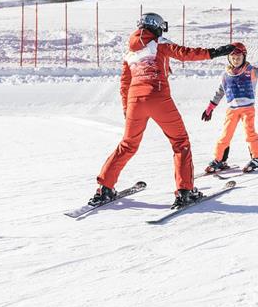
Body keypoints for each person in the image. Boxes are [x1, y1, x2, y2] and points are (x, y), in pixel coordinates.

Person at [90, 12, 236, 208]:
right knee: (180, 142)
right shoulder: (159, 43)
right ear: (156, 26)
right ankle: (185, 191)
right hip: (157, 95)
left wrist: (128, 110)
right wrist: (215, 52)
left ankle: (104, 188)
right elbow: (185, 53)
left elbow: (125, 84)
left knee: (127, 145)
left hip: (135, 101)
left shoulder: (130, 53)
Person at [200, 42, 258, 173]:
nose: (236, 61)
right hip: (232, 110)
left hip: (248, 109)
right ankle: (219, 160)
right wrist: (210, 108)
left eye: (238, 58)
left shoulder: (250, 71)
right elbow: (220, 92)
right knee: (225, 135)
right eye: (233, 58)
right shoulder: (225, 75)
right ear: (229, 59)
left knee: (250, 133)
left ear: (244, 57)